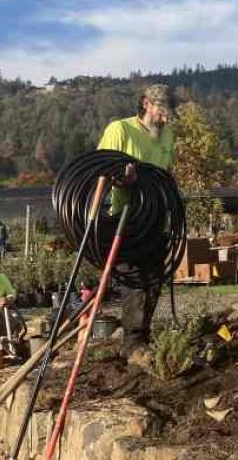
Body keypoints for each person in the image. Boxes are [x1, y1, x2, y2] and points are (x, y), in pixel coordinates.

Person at [97, 84, 175, 358]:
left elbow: (166, 173)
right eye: (161, 111)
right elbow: (100, 172)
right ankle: (133, 343)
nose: (165, 119)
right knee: (134, 279)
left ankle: (142, 337)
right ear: (145, 104)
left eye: (169, 113)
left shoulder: (167, 136)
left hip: (153, 218)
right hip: (125, 219)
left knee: (154, 279)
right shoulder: (120, 130)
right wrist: (122, 177)